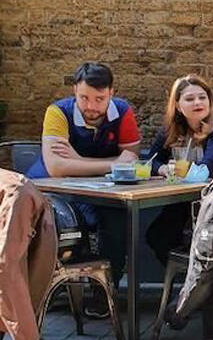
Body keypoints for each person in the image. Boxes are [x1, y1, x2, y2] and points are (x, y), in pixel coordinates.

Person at [26, 62, 141, 318]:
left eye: (99, 99)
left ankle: (104, 291)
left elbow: (132, 159)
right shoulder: (57, 112)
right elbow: (56, 168)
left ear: (111, 92)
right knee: (59, 224)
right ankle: (45, 289)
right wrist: (112, 164)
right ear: (74, 91)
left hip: (101, 192)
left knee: (119, 220)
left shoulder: (123, 112)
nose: (91, 106)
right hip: (52, 189)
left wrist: (76, 161)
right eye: (84, 97)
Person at [145, 74, 213, 269]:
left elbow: (205, 171)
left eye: (202, 97)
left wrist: (178, 170)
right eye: (189, 99)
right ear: (178, 106)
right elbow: (150, 162)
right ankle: (190, 282)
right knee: (157, 236)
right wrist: (164, 168)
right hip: (185, 200)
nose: (197, 102)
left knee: (178, 238)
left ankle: (199, 284)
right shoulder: (174, 129)